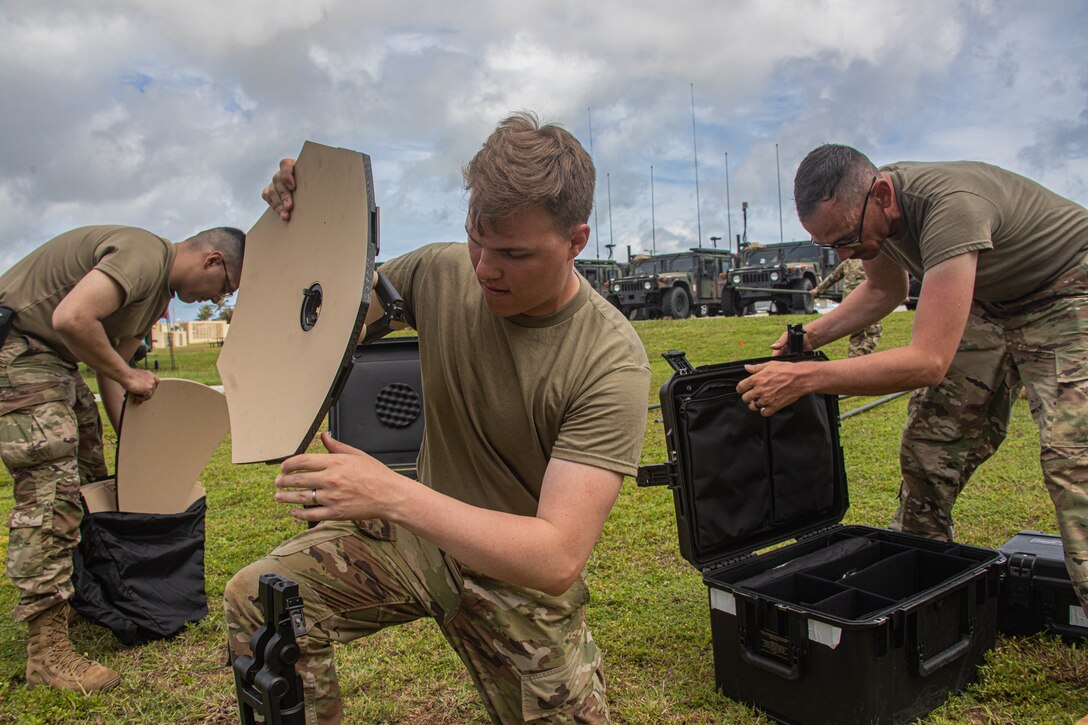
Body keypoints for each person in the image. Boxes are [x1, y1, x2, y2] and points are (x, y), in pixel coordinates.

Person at [223, 113, 651, 724]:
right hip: (417, 541)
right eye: (476, 238)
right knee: (260, 603)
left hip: (512, 575)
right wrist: (302, 229)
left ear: (577, 242)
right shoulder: (439, 271)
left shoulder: (608, 360)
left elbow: (556, 556)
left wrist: (389, 494)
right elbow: (318, 311)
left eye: (514, 253)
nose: (484, 268)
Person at [735, 143, 1088, 614]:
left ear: (881, 194)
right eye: (830, 245)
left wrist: (807, 380)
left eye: (847, 237)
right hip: (990, 301)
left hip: (1067, 289)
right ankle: (926, 597)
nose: (845, 252)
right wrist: (812, 336)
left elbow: (928, 361)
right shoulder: (873, 217)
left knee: (1074, 464)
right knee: (928, 449)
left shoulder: (951, 207)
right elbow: (885, 288)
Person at [0, 224, 245, 691]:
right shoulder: (144, 254)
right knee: (53, 494)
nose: (218, 295)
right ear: (213, 260)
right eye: (226, 285)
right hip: (21, 351)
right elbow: (73, 319)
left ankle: (80, 599)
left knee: (93, 482)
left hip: (55, 359)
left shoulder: (155, 296)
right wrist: (128, 376)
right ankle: (46, 653)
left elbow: (113, 370)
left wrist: (134, 447)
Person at [810, 257, 882, 357]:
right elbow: (885, 278)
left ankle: (853, 360)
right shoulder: (871, 261)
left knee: (856, 335)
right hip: (866, 301)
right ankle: (862, 352)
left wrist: (818, 289)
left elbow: (833, 277)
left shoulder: (847, 262)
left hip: (849, 304)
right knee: (874, 332)